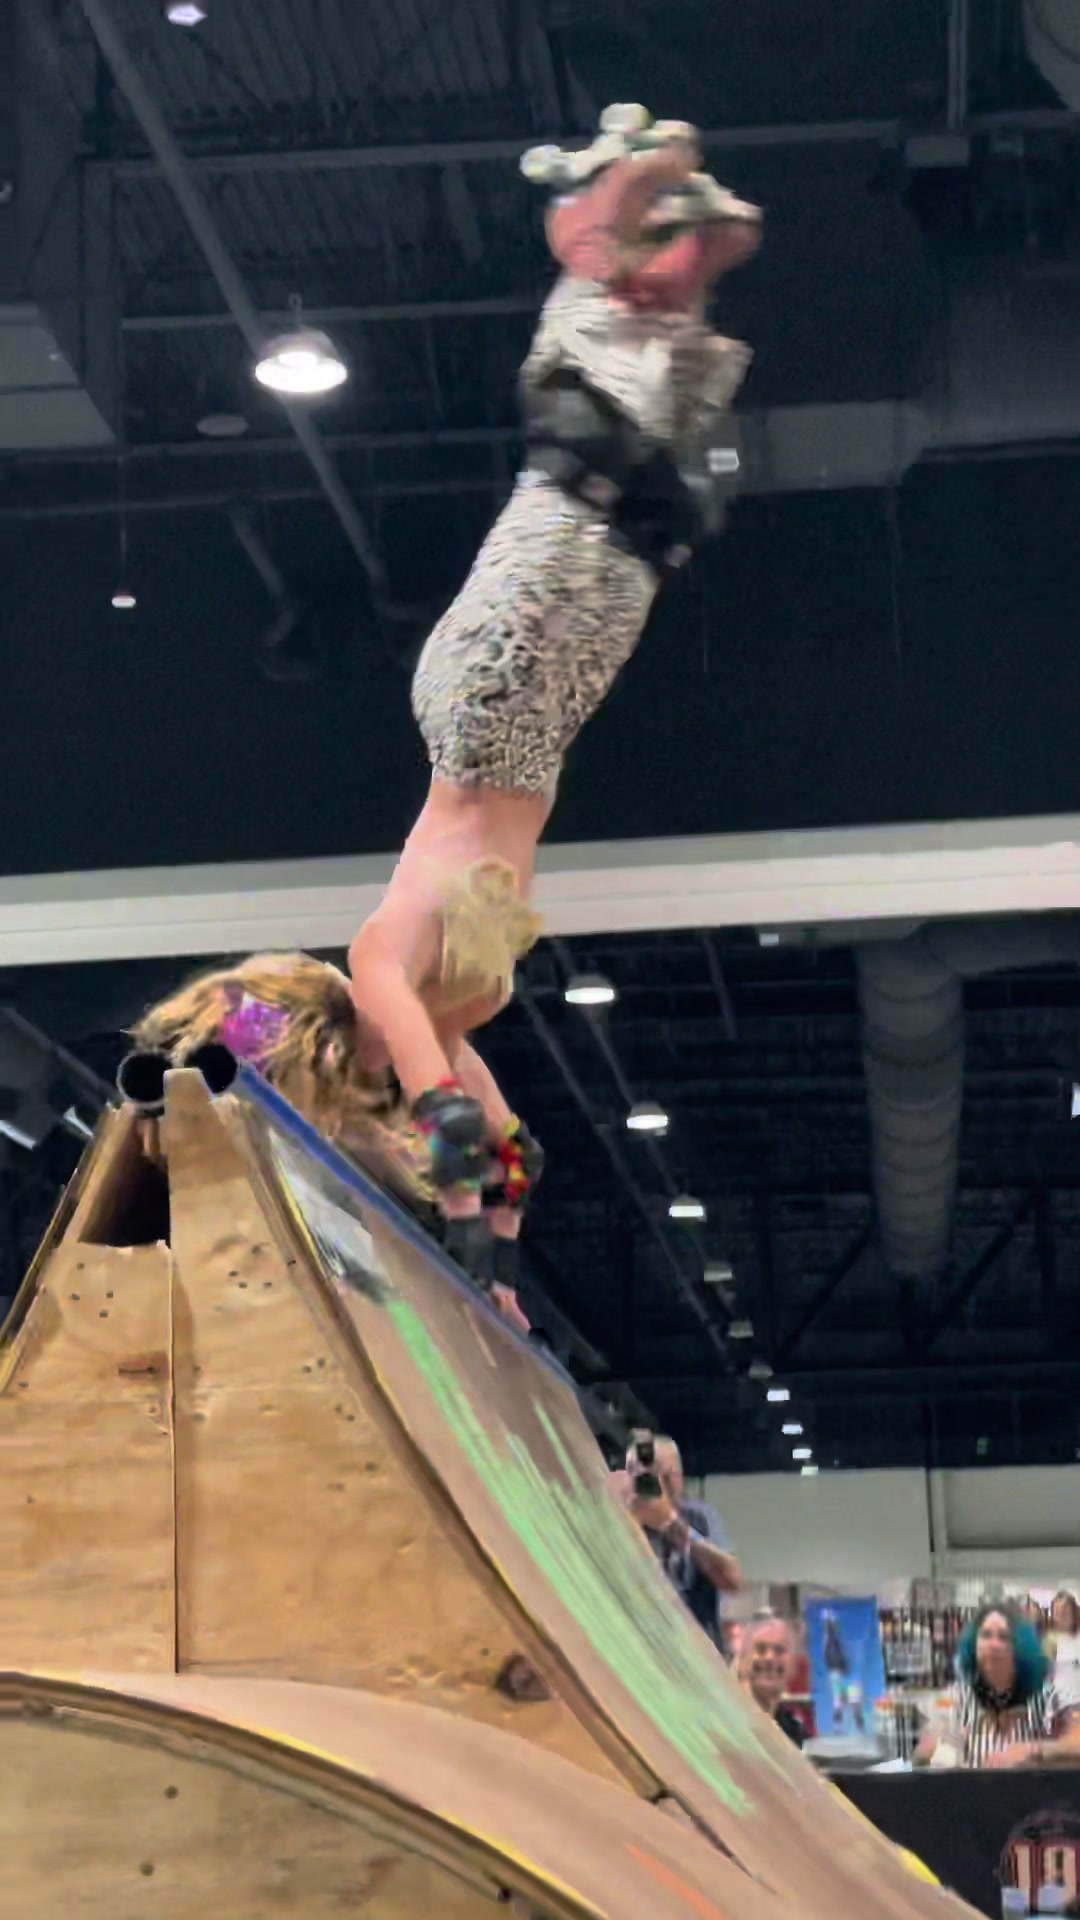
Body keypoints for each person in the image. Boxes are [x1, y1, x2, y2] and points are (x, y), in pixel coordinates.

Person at [348, 103, 760, 1217]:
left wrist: (445, 1131)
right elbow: (504, 1137)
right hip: (541, 725)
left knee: (571, 473)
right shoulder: (469, 1001)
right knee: (643, 509)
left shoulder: (387, 963)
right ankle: (661, 276)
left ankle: (607, 210)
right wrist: (495, 1238)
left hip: (482, 707)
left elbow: (399, 1028)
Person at [125, 951, 536, 1327]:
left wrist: (499, 1275)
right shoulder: (299, 1011)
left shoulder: (441, 1056)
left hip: (264, 1063)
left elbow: (518, 1156)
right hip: (258, 1051)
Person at [915, 1602, 1075, 1770]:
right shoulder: (955, 1697)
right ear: (974, 1645)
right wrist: (933, 1749)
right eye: (985, 1635)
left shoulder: (1045, 1695)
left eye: (1003, 1637)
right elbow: (924, 1752)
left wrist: (1033, 1750)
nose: (993, 1644)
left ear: (1020, 1648)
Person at [616, 1434, 740, 1645]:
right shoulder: (620, 1521)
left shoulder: (699, 1519)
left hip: (695, 1646)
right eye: (634, 1473)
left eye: (657, 1473)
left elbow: (732, 1579)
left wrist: (672, 1524)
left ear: (676, 1479)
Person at [738, 1613, 806, 1748]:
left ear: (793, 1665)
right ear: (742, 1660)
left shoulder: (795, 1732)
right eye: (760, 1649)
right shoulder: (725, 1723)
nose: (769, 1658)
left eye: (779, 1650)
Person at [1048, 1590, 1080, 1705]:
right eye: (1057, 1612)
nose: (1061, 1616)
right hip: (1059, 1702)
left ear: (1073, 1613)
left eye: (1065, 1611)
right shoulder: (1050, 1639)